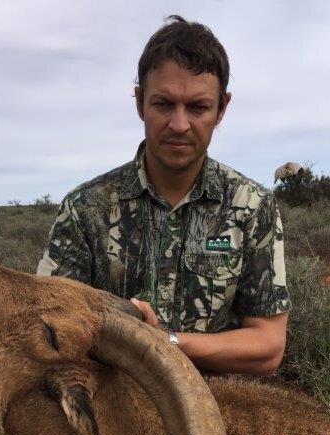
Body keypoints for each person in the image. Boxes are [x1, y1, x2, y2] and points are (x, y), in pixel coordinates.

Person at [37, 15, 290, 375]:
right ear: (140, 101)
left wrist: (164, 341)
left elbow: (267, 346)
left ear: (222, 108)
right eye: (163, 104)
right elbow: (46, 329)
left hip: (223, 415)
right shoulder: (85, 210)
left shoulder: (252, 208)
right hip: (112, 413)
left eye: (198, 107)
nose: (179, 124)